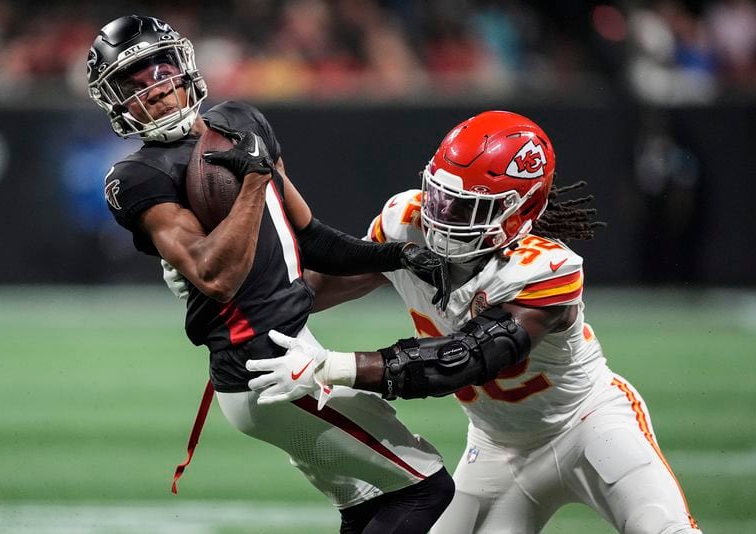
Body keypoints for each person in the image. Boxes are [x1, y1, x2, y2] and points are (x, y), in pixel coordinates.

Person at [245, 111, 703, 533]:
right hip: (497, 448)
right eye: (441, 197)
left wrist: (330, 367)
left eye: (466, 208)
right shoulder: (408, 221)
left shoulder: (547, 268)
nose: (441, 217)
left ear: (521, 209)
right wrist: (234, 304)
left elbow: (463, 358)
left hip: (588, 425)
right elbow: (316, 288)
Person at [87, 15, 455, 533]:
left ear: (184, 67)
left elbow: (312, 241)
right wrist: (254, 182)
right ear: (115, 101)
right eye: (134, 83)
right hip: (263, 372)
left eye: (161, 70)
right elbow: (216, 278)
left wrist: (394, 257)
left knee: (372, 501)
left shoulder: (241, 122)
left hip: (286, 352)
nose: (157, 90)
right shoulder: (138, 176)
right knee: (427, 489)